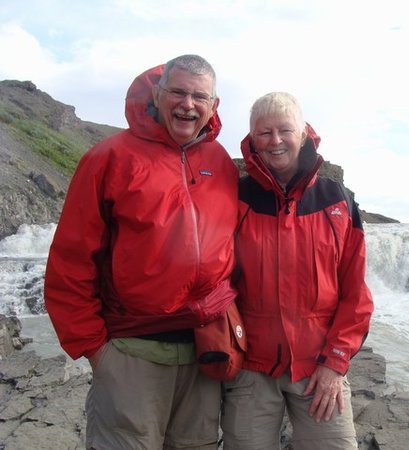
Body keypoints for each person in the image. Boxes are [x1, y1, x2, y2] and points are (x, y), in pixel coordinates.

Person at [44, 54, 238, 449]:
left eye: (199, 96)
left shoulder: (219, 162)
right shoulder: (109, 158)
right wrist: (96, 351)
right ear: (158, 93)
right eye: (178, 92)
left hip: (206, 351)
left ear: (214, 106)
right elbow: (70, 262)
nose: (188, 104)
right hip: (131, 352)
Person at [222, 92, 374, 450]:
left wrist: (336, 363)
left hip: (320, 366)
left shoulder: (336, 201)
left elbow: (356, 293)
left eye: (284, 130)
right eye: (264, 133)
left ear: (303, 133)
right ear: (252, 141)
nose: (275, 141)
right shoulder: (235, 198)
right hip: (251, 369)